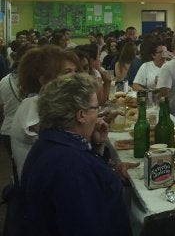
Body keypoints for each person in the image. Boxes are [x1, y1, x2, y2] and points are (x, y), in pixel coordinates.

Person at [19, 73, 131, 236]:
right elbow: (88, 226)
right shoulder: (73, 167)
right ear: (81, 115)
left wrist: (97, 146)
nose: (98, 114)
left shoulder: (48, 143)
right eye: (96, 108)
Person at [10, 46, 80, 179]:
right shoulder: (33, 104)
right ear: (44, 80)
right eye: (67, 72)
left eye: (76, 71)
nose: (75, 77)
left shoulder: (47, 104)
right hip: (39, 189)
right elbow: (61, 138)